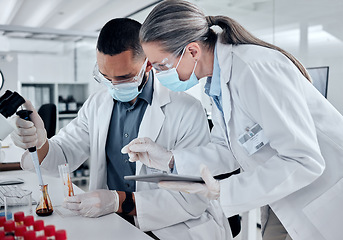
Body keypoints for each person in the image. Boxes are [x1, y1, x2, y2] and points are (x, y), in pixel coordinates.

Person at [122, 1, 343, 240]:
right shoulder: (216, 84)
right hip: (285, 198)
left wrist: (225, 192)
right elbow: (226, 150)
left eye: (161, 65)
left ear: (193, 51)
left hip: (323, 199)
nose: (159, 75)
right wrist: (171, 159)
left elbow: (304, 160)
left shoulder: (253, 69)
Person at [11, 18, 232, 240]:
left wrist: (120, 201)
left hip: (171, 228)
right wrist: (40, 143)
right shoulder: (97, 105)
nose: (114, 85)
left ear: (148, 63)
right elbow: (65, 154)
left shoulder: (187, 110)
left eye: (124, 77)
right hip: (111, 223)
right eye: (106, 77)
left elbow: (192, 198)